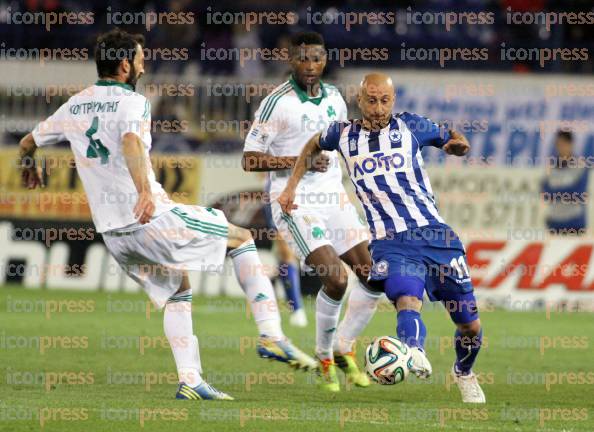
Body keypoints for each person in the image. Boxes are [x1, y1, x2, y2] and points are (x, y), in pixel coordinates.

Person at [19, 28, 315, 402]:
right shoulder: (133, 102)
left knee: (178, 289)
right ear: (125, 65)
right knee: (243, 238)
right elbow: (130, 142)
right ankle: (272, 334)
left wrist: (28, 162)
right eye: (141, 57)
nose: (145, 63)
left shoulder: (75, 104)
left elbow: (29, 141)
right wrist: (144, 191)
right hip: (150, 218)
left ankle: (190, 380)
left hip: (113, 235)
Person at [278, 73, 486, 403]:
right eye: (371, 101)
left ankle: (463, 371)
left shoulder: (412, 127)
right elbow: (312, 145)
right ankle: (414, 350)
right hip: (390, 241)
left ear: (393, 100)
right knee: (407, 299)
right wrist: (291, 186)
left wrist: (458, 145)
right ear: (359, 101)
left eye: (385, 100)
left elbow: (451, 137)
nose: (378, 108)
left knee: (470, 327)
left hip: (436, 236)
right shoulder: (342, 133)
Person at [242, 32, 381, 392]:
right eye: (302, 58)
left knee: (373, 275)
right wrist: (297, 161)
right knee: (336, 278)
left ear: (324, 59)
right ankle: (323, 357)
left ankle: (341, 347)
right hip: (295, 200)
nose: (309, 65)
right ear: (291, 60)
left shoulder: (335, 98)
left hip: (333, 198)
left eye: (316, 58)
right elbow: (249, 159)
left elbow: (342, 146)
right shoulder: (276, 103)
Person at [541, 130, 589, 236]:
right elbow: (545, 192)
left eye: (564, 144)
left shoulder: (580, 166)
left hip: (575, 224)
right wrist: (567, 191)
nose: (561, 147)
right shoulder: (551, 166)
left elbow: (579, 193)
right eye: (558, 144)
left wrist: (555, 193)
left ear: (571, 144)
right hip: (554, 223)